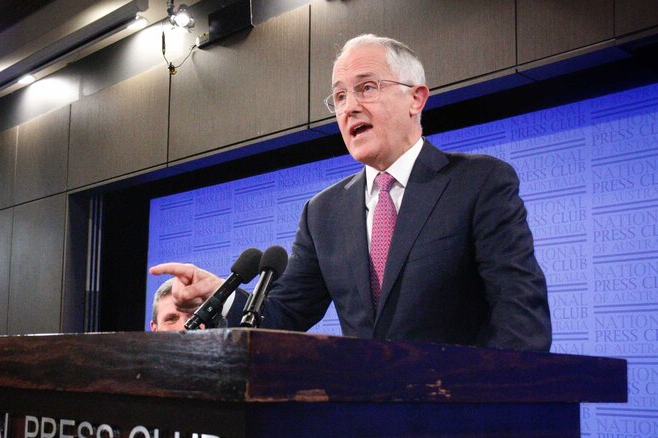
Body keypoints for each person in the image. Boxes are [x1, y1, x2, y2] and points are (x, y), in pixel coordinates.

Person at [151, 33, 551, 351]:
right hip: (360, 424)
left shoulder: (479, 182)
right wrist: (220, 293)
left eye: (367, 88)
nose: (349, 107)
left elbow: (520, 318)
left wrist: (485, 409)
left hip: (460, 424)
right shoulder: (322, 212)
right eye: (340, 96)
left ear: (416, 98)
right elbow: (283, 314)